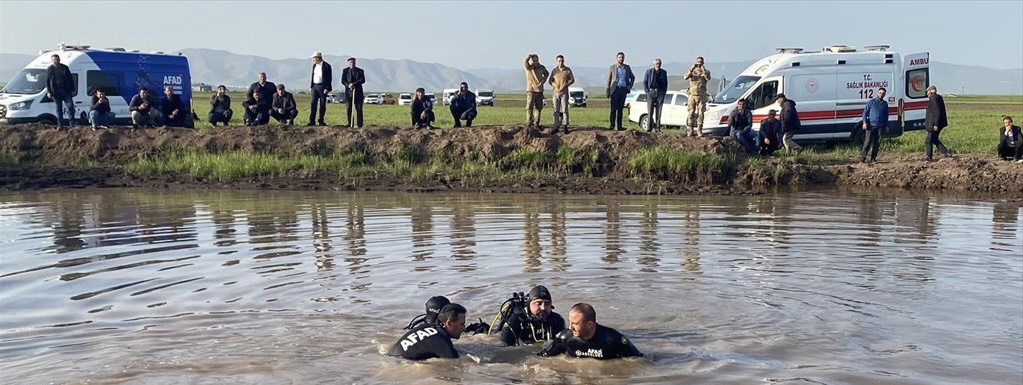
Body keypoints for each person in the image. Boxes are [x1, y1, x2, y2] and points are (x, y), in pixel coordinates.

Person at [537, 303, 643, 360]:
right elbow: (543, 358)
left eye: (575, 323)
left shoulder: (614, 339)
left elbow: (638, 361)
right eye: (570, 322)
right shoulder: (565, 338)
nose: (570, 327)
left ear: (589, 324)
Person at [388, 303, 467, 361]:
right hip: (401, 364)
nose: (463, 328)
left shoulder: (426, 326)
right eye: (462, 324)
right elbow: (455, 362)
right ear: (449, 323)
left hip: (390, 358)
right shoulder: (442, 342)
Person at [495, 285, 566, 346]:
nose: (543, 308)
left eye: (547, 304)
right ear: (529, 305)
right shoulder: (515, 321)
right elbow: (505, 348)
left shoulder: (557, 320)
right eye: (538, 303)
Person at [606, 52, 635, 131]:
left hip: (623, 89)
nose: (621, 59)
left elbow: (632, 77)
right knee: (613, 109)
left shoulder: (627, 67)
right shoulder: (612, 67)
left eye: (622, 57)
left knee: (620, 109)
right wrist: (608, 90)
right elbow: (609, 79)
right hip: (615, 89)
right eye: (619, 57)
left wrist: (629, 86)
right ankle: (612, 125)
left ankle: (619, 126)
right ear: (617, 58)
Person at [859, 87, 889, 163]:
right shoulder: (871, 102)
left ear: (884, 94)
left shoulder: (885, 104)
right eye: (880, 93)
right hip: (871, 125)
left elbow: (886, 115)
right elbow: (865, 113)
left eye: (883, 93)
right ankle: (862, 158)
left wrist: (886, 125)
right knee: (867, 142)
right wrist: (865, 122)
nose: (881, 94)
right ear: (877, 93)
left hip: (880, 126)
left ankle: (873, 158)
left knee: (877, 143)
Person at [45, 54, 76, 129]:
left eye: (57, 59)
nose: (56, 61)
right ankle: (60, 124)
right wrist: (49, 92)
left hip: (66, 91)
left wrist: (72, 89)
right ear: (52, 61)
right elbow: (47, 81)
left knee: (70, 106)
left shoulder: (64, 68)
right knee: (58, 108)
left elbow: (70, 79)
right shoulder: (50, 69)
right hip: (55, 92)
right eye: (54, 59)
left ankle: (72, 122)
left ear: (59, 59)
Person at [683, 56, 711, 137]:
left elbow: (708, 78)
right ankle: (690, 130)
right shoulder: (692, 71)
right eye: (698, 62)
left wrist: (703, 71)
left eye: (700, 62)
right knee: (691, 113)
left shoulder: (706, 72)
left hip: (701, 95)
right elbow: (685, 77)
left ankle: (699, 130)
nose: (699, 64)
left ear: (703, 63)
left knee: (701, 113)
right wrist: (691, 69)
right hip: (692, 95)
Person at [924, 85, 952, 162]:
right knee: (934, 139)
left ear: (931, 91)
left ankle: (929, 157)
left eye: (927, 91)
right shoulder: (938, 97)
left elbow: (937, 112)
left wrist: (935, 124)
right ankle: (945, 152)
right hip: (940, 123)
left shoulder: (933, 98)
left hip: (935, 124)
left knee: (928, 140)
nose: (927, 93)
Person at [548, 55, 575, 132]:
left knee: (565, 109)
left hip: (564, 93)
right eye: (559, 61)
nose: (561, 62)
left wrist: (565, 85)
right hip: (555, 93)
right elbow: (550, 81)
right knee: (556, 110)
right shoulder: (554, 71)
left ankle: (565, 125)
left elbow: (572, 80)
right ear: (556, 62)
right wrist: (554, 84)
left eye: (562, 61)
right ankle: (556, 126)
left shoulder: (567, 70)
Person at [523, 54, 549, 129]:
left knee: (539, 107)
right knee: (529, 107)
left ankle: (536, 123)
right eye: (533, 60)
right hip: (531, 90)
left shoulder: (542, 67)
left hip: (539, 90)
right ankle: (529, 123)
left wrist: (543, 81)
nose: (535, 62)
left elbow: (546, 73)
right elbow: (525, 61)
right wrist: (529, 56)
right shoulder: (529, 67)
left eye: (536, 60)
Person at [643, 58, 668, 132]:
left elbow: (666, 83)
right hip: (651, 91)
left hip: (660, 92)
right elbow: (645, 82)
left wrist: (664, 92)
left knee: (659, 111)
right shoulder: (649, 72)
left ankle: (657, 127)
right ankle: (649, 127)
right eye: (657, 64)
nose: (658, 65)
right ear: (654, 64)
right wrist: (647, 91)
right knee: (650, 111)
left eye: (659, 63)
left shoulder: (664, 72)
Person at [308, 51, 333, 126]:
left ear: (318, 58)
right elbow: (313, 76)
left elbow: (329, 78)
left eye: (314, 58)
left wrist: (327, 88)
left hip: (323, 87)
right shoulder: (314, 66)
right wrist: (311, 86)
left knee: (322, 104)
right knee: (313, 104)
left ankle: (321, 120)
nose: (313, 60)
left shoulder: (326, 66)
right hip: (315, 86)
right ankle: (312, 121)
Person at [341, 57, 366, 128]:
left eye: (353, 62)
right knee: (349, 108)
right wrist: (348, 85)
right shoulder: (345, 71)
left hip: (358, 93)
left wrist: (354, 84)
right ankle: (349, 123)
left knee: (359, 109)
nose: (352, 64)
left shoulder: (360, 71)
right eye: (350, 62)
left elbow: (362, 80)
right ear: (348, 63)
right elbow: (343, 80)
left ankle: (360, 124)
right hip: (349, 93)